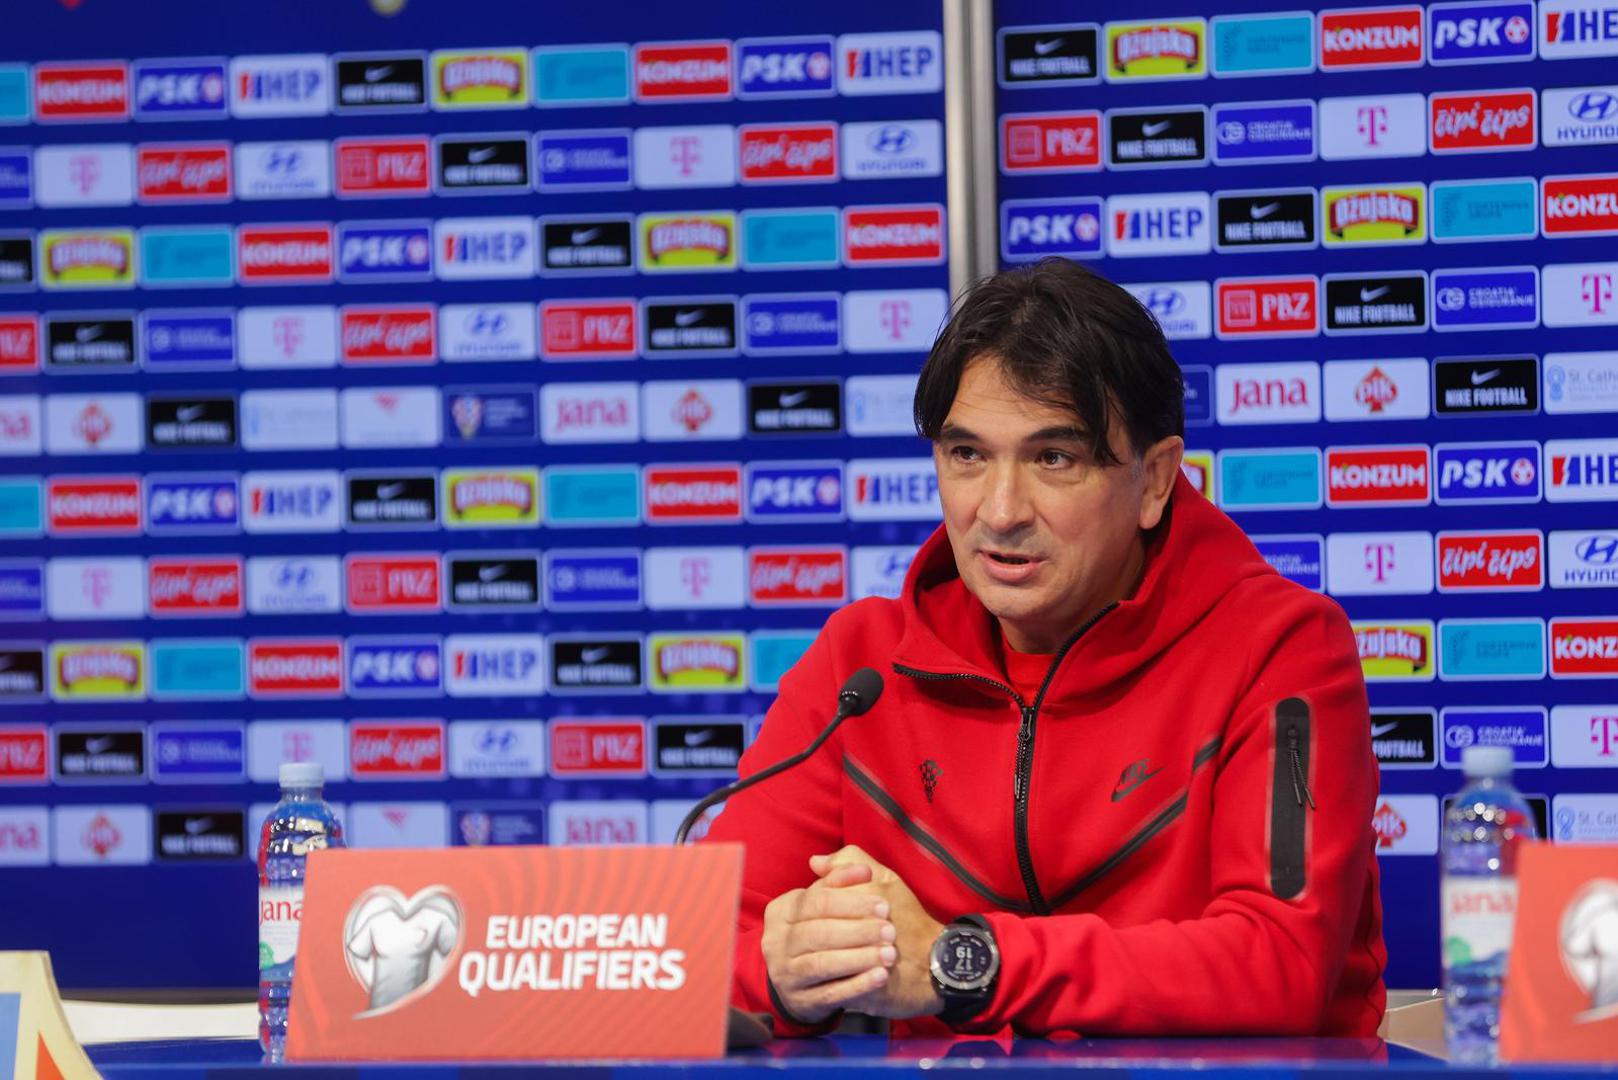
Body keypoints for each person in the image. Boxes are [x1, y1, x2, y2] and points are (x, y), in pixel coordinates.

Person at [701, 258, 1385, 1038]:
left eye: (1053, 459)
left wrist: (965, 964)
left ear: (1156, 480)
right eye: (967, 455)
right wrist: (787, 974)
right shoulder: (862, 666)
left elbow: (1278, 961)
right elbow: (707, 949)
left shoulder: (1280, 649)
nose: (1000, 511)